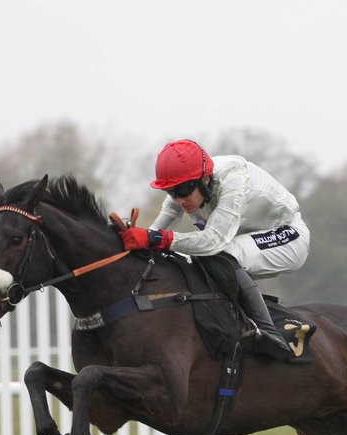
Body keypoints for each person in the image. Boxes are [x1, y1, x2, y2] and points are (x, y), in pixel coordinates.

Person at [121, 139, 310, 361]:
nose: (179, 200)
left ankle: (270, 333)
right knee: (189, 260)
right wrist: (135, 241)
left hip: (288, 237)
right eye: (172, 192)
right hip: (241, 241)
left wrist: (157, 238)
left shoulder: (234, 181)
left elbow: (214, 241)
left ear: (205, 179)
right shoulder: (187, 183)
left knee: (220, 254)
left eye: (183, 190)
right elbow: (156, 231)